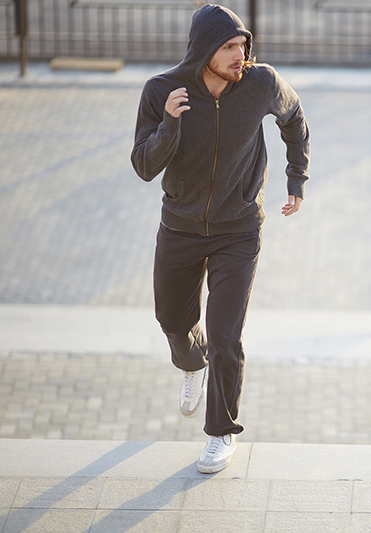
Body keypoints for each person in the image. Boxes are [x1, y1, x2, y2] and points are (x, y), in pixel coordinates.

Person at [130, 4, 310, 473]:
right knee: (172, 319)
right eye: (229, 47)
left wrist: (297, 175)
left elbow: (294, 118)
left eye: (242, 44)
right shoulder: (162, 91)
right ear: (205, 50)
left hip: (239, 229)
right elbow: (144, 167)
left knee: (227, 336)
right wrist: (170, 123)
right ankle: (192, 363)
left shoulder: (260, 83)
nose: (240, 54)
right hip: (180, 227)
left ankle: (221, 433)